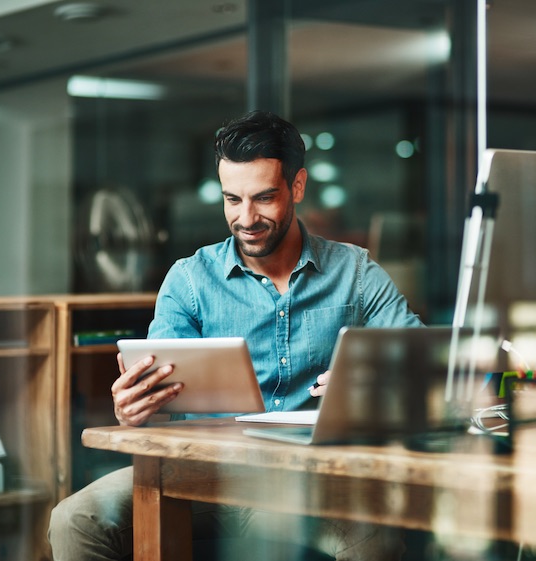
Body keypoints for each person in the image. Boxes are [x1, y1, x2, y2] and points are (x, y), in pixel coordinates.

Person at [48, 110, 424, 560]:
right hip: (198, 475)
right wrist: (134, 409)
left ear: (297, 186)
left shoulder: (356, 273)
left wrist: (377, 386)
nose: (246, 218)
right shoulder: (189, 279)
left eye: (264, 198)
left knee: (373, 543)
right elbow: (159, 404)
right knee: (74, 520)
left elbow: (426, 364)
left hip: (312, 480)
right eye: (232, 199)